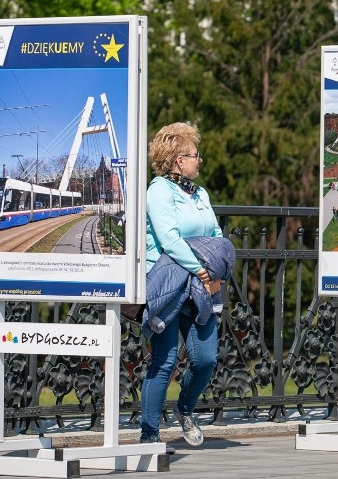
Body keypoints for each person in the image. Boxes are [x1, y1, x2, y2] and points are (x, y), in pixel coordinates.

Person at [140, 122, 224, 452]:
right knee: (165, 359)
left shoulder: (200, 193)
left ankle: (184, 409)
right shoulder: (159, 190)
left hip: (202, 284)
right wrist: (201, 269)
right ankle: (149, 435)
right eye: (194, 155)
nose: (199, 160)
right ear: (178, 159)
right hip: (168, 283)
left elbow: (215, 234)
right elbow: (169, 239)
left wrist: (214, 271)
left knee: (205, 358)